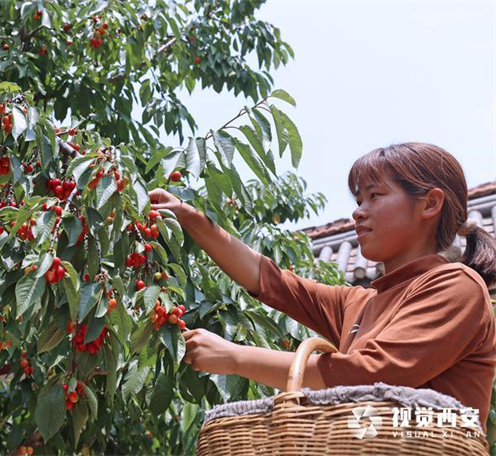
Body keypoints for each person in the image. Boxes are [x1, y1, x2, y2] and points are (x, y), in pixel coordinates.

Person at [148, 142, 496, 432]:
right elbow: (271, 281)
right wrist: (189, 218)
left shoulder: (456, 287)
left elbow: (370, 373)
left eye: (375, 195)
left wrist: (235, 357)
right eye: (358, 200)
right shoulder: (359, 302)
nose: (359, 212)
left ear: (430, 204)